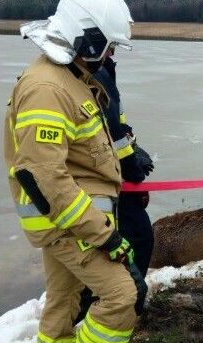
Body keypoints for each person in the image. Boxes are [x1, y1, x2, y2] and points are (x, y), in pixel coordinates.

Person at [3, 1, 147, 343]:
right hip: (69, 223)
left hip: (70, 220)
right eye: (108, 46)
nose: (110, 54)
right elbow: (45, 178)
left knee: (63, 303)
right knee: (122, 296)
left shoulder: (72, 78)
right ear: (87, 38)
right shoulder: (48, 88)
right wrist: (104, 236)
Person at [74, 54, 155, 325]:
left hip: (113, 177)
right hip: (103, 180)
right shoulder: (92, 72)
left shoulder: (101, 69)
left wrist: (134, 148)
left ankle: (117, 307)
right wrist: (133, 167)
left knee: (136, 239)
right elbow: (110, 133)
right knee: (136, 239)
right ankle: (113, 311)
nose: (112, 51)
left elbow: (117, 124)